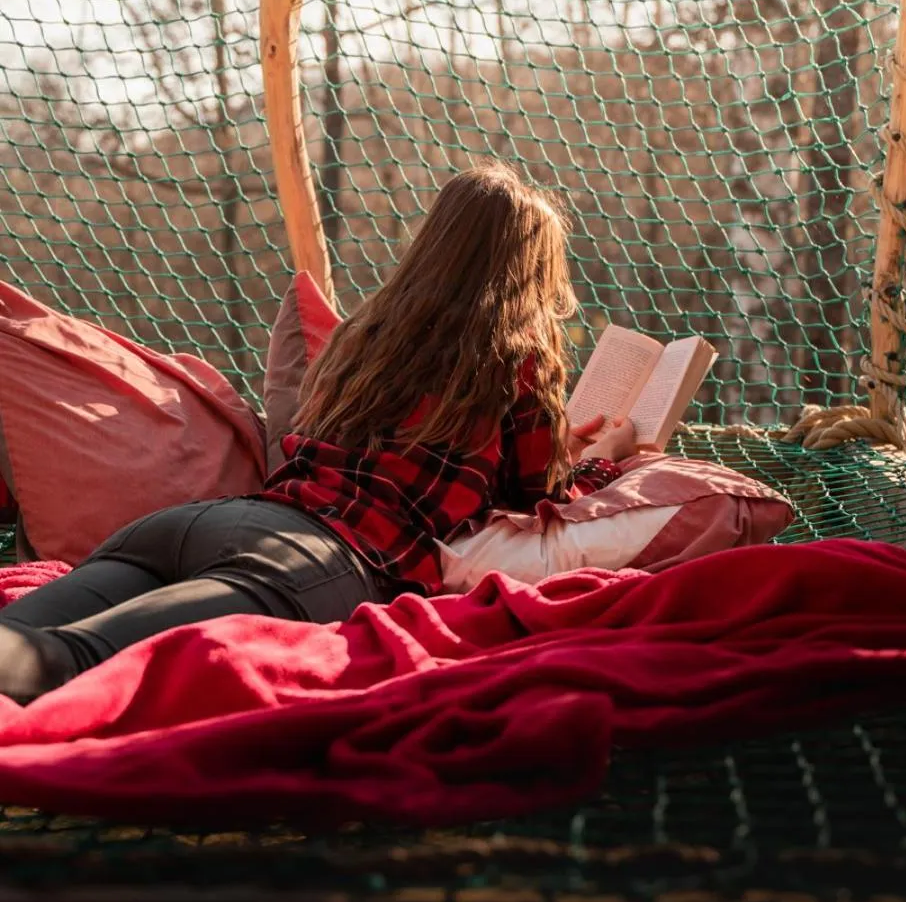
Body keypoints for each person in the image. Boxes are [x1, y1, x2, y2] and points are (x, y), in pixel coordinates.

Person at [0, 163, 637, 704]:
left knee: (21, 639)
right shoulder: (513, 355)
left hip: (202, 524)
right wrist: (601, 461)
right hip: (314, 559)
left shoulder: (365, 335)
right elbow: (539, 504)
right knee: (63, 665)